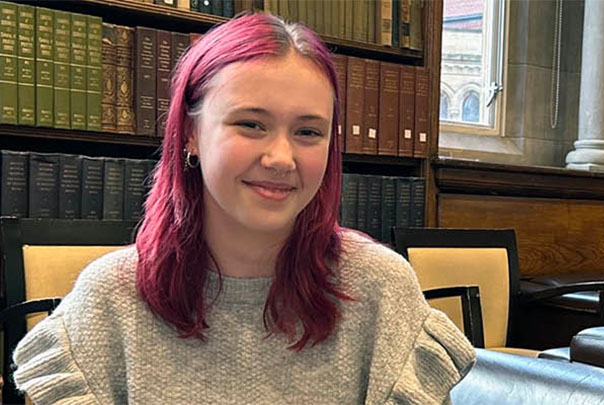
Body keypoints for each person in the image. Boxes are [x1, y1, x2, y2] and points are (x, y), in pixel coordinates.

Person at [12, 13, 474, 403]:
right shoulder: (109, 301)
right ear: (190, 133)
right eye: (251, 124)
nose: (280, 158)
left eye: (308, 132)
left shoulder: (381, 291)